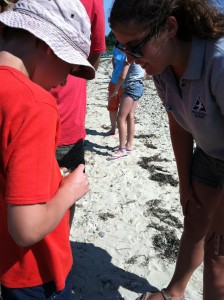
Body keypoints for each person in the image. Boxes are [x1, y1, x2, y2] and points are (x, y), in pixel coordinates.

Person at [109, 0, 224, 299]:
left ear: (170, 28)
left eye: (135, 47)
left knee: (218, 254)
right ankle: (174, 292)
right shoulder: (161, 67)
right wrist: (184, 183)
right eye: (123, 49)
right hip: (210, 154)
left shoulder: (218, 60)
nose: (130, 59)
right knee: (194, 223)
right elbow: (180, 122)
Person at [0, 0, 94, 299]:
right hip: (31, 271)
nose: (67, 78)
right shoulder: (35, 105)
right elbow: (25, 229)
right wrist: (70, 190)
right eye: (71, 65)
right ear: (50, 47)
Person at [50, 0, 105, 227]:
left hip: (62, 118)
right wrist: (73, 71)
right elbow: (96, 52)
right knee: (66, 190)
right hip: (67, 113)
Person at [108, 61, 145, 160]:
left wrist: (115, 90)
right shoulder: (142, 58)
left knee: (121, 118)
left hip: (130, 88)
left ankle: (122, 149)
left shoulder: (129, 59)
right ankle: (129, 145)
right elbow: (144, 76)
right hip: (138, 86)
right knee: (130, 115)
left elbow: (123, 76)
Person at [105, 43, 127, 136]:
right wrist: (115, 70)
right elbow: (113, 59)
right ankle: (113, 129)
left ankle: (123, 131)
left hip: (125, 83)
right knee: (112, 107)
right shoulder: (115, 47)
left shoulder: (129, 47)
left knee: (124, 109)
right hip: (114, 81)